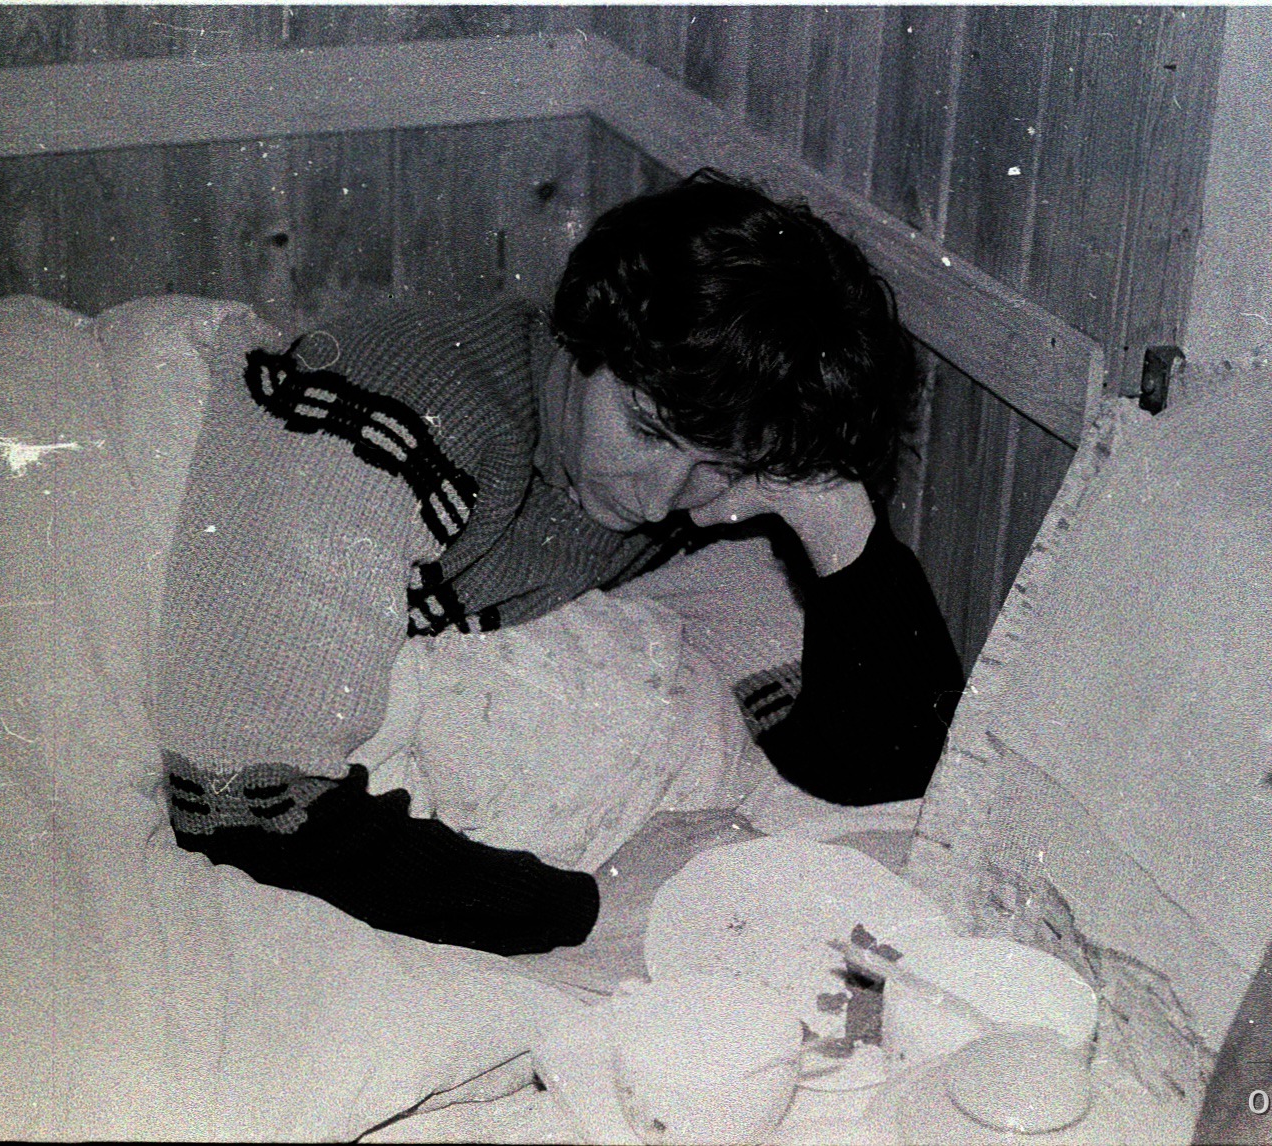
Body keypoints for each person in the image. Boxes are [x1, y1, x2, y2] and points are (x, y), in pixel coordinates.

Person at [149, 168, 965, 957]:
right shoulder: (387, 406)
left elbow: (884, 772)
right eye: (647, 433)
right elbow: (236, 801)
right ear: (584, 338)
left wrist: (837, 516)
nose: (662, 497)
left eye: (720, 463)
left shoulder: (708, 482)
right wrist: (590, 902)